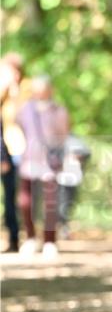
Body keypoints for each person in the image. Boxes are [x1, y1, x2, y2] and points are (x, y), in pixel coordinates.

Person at [17, 75, 70, 258]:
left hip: (49, 162)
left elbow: (63, 135)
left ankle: (49, 241)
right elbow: (19, 127)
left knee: (50, 203)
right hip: (29, 159)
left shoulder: (58, 110)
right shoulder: (26, 109)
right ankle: (30, 237)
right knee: (25, 201)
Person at [0, 53, 26, 253]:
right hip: (5, 150)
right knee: (10, 197)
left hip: (20, 150)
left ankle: (19, 236)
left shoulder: (26, 91)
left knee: (17, 196)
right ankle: (14, 236)